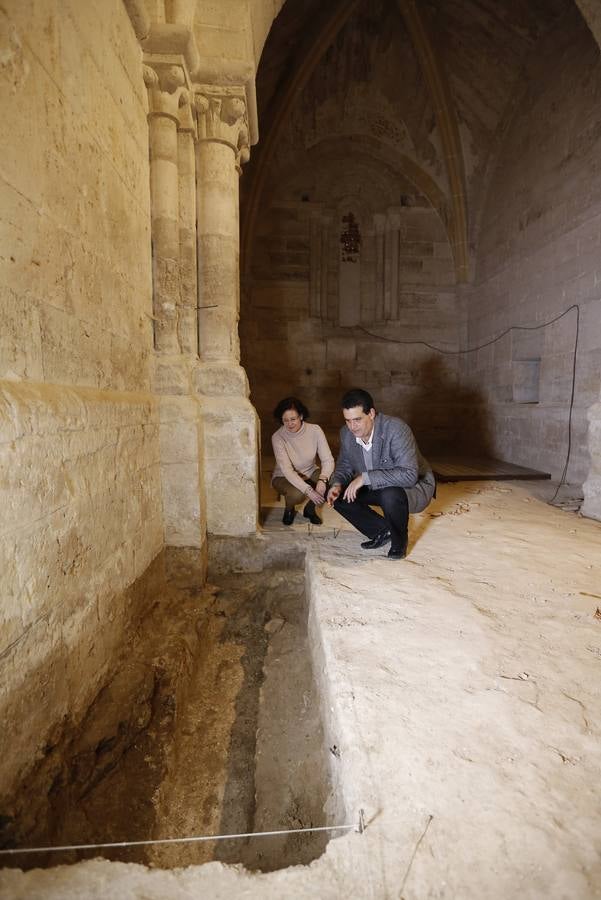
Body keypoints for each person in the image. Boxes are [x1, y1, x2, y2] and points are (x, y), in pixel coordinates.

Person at [326, 388, 435, 559]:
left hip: (412, 487)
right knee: (336, 494)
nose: (352, 427)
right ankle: (382, 531)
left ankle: (399, 543)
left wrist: (365, 478)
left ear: (371, 413)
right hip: (376, 485)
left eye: (357, 420)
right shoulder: (346, 433)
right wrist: (337, 484)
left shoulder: (396, 429)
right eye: (348, 421)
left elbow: (409, 475)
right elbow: (344, 466)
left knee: (390, 494)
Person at [271, 397, 335, 526]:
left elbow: (328, 460)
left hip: (310, 471)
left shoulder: (315, 430)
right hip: (283, 476)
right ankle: (289, 509)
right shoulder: (277, 437)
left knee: (333, 480)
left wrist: (323, 480)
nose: (290, 424)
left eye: (293, 419)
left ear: (300, 416)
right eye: (285, 420)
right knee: (297, 494)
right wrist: (309, 490)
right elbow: (287, 470)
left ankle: (310, 509)